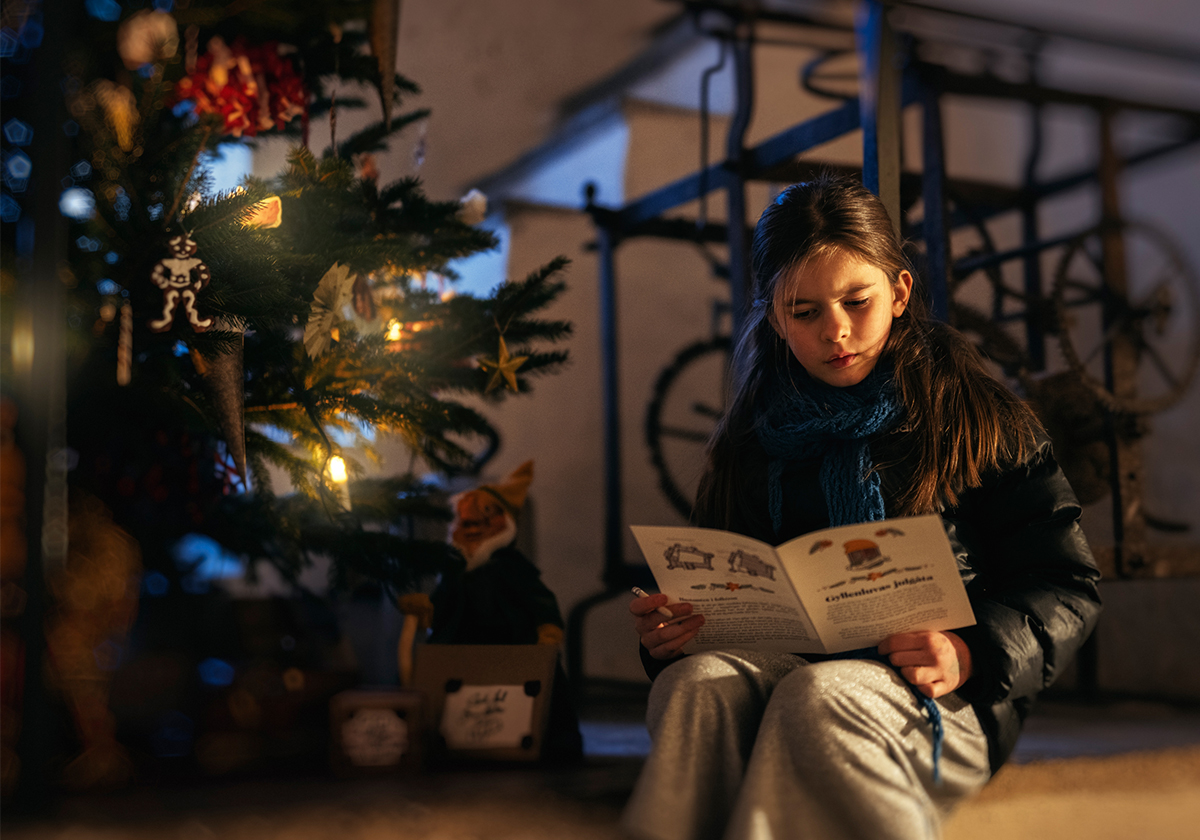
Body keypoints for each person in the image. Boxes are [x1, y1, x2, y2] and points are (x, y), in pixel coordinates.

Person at [622, 175, 1101, 840]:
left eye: (857, 301)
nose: (837, 331)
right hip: (790, 670)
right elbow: (721, 583)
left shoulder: (976, 416)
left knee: (819, 696)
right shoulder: (752, 437)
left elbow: (1066, 584)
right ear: (774, 317)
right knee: (694, 685)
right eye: (804, 312)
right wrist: (674, 634)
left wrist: (969, 652)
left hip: (939, 690)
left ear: (899, 293)